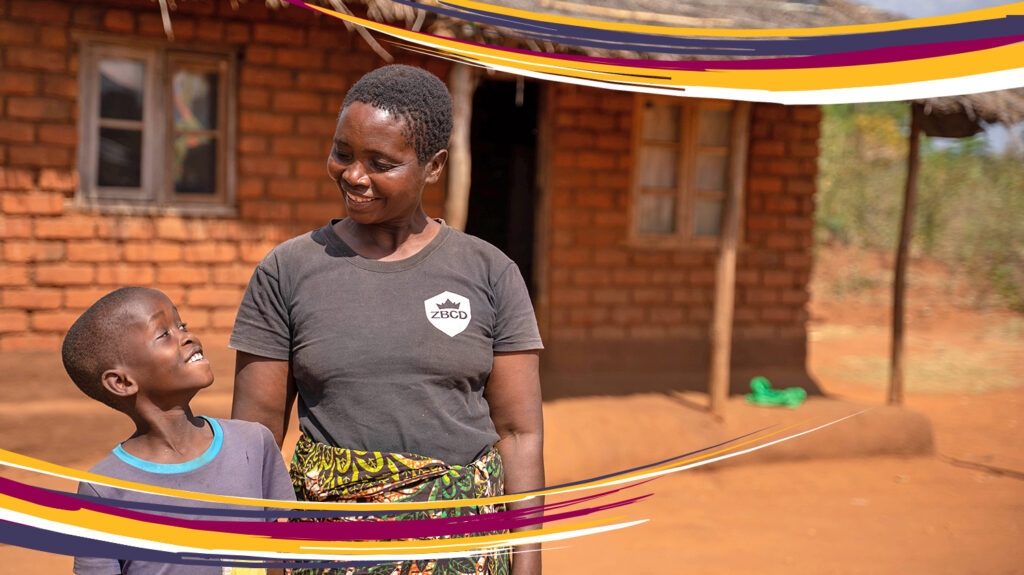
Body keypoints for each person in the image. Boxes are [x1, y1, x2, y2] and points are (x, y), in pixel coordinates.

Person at [230, 64, 544, 575]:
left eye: (381, 162)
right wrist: (266, 560)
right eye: (342, 153)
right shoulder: (287, 271)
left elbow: (519, 433)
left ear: (434, 165)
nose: (354, 176)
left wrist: (526, 565)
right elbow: (256, 435)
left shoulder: (490, 272)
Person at [62, 287, 295, 575]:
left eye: (181, 325)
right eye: (164, 334)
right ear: (121, 382)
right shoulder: (105, 491)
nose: (188, 336)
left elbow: (282, 553)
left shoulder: (253, 443)